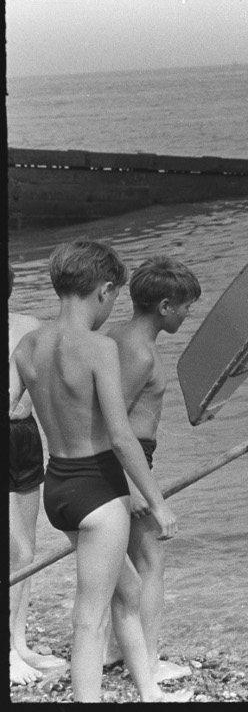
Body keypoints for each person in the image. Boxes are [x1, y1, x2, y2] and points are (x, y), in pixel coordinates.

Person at [8, 241, 188, 702]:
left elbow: (13, 412)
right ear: (105, 291)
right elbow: (123, 438)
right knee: (89, 619)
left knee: (126, 591)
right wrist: (158, 502)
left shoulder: (28, 344)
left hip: (58, 489)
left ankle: (150, 692)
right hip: (97, 490)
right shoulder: (99, 347)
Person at [101, 256, 201, 683]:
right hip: (129, 459)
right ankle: (149, 659)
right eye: (184, 307)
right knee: (150, 563)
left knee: (119, 563)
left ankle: (112, 648)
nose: (186, 314)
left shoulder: (117, 335)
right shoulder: (140, 353)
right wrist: (135, 487)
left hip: (127, 458)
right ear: (164, 306)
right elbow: (112, 423)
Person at [9, 263, 67, 686]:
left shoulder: (29, 325)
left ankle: (19, 641)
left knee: (25, 551)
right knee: (10, 548)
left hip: (24, 436)